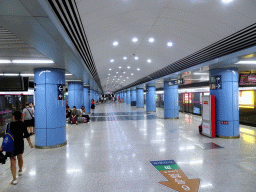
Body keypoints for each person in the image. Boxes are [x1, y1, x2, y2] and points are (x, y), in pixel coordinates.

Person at [0, 111, 34, 185]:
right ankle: (20, 170)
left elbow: (6, 136)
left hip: (10, 145)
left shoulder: (9, 124)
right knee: (20, 157)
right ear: (21, 116)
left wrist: (2, 146)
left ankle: (14, 179)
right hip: (19, 144)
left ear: (14, 117)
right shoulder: (23, 124)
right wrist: (30, 143)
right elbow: (26, 134)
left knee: (12, 161)